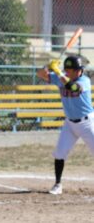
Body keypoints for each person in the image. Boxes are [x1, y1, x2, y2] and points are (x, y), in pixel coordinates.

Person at [37, 55, 94, 195]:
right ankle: (57, 184)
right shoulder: (60, 77)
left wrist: (58, 71)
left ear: (79, 70)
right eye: (67, 69)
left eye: (72, 70)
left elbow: (73, 88)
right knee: (60, 153)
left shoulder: (84, 80)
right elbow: (40, 74)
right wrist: (47, 67)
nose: (69, 72)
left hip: (88, 123)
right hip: (70, 124)